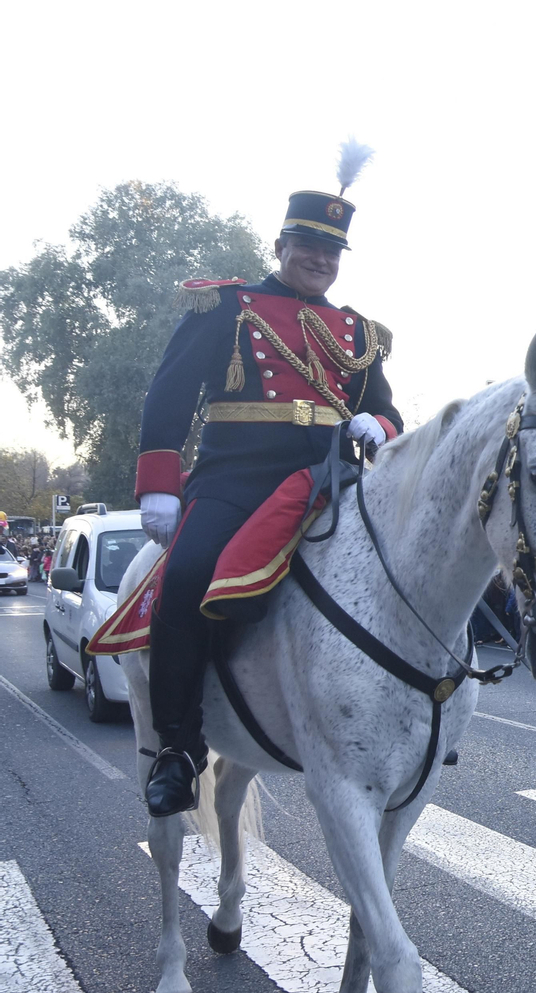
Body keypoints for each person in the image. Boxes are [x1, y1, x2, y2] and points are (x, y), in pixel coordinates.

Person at [136, 179, 402, 818]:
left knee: (405, 570)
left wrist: (381, 426)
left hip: (331, 478)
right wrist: (160, 487)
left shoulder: (356, 331)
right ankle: (177, 747)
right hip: (237, 478)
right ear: (282, 244)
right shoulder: (228, 306)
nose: (321, 259)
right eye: (309, 244)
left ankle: (420, 711)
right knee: (189, 574)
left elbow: (385, 408)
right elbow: (169, 400)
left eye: (333, 251)